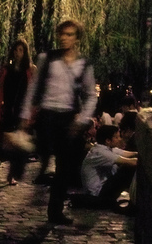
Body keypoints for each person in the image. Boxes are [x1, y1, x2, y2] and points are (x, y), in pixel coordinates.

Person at [21, 19, 98, 224]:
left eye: (70, 34)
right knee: (42, 153)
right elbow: (33, 89)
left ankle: (55, 211)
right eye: (62, 34)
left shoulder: (84, 64)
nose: (64, 38)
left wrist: (82, 120)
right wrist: (24, 116)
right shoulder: (47, 59)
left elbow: (91, 95)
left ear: (77, 38)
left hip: (68, 117)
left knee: (64, 167)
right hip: (47, 115)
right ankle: (22, 162)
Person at [0, 40, 34, 185]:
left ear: (24, 53)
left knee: (19, 143)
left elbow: (31, 92)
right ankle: (13, 170)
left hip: (22, 111)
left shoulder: (28, 70)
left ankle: (13, 172)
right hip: (8, 109)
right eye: (16, 50)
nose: (17, 53)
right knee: (7, 143)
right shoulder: (7, 69)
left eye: (20, 50)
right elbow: (1, 89)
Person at [80, 125, 137, 207]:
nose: (119, 139)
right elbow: (131, 162)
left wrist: (137, 154)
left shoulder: (105, 148)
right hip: (98, 193)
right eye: (116, 137)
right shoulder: (101, 153)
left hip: (102, 188)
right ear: (108, 141)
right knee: (127, 169)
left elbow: (128, 154)